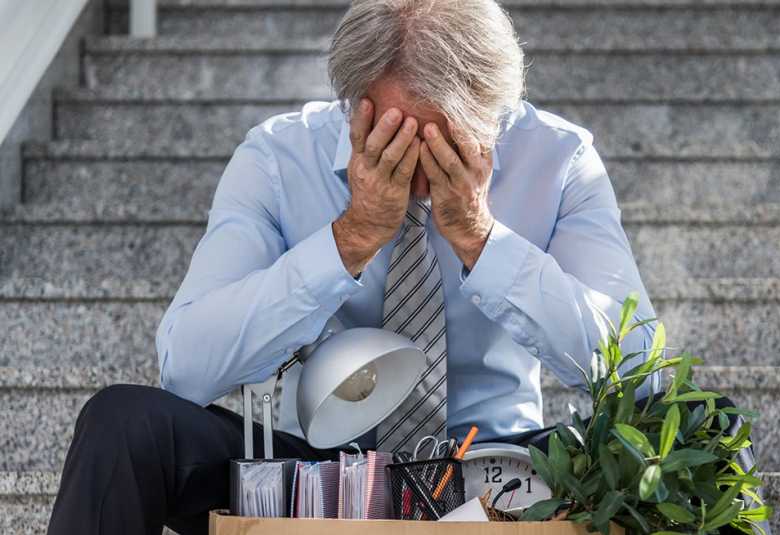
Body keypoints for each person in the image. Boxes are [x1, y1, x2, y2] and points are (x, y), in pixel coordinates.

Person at [48, 1, 674, 533]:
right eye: (391, 136)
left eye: (445, 143)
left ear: (496, 116)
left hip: (496, 464)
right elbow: (186, 367)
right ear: (352, 104)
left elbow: (639, 369)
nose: (415, 171)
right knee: (122, 423)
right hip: (310, 469)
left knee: (698, 429)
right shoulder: (277, 156)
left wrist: (483, 240)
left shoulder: (560, 160)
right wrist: (347, 240)